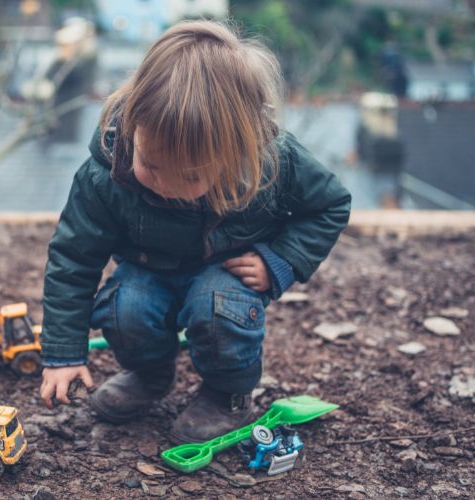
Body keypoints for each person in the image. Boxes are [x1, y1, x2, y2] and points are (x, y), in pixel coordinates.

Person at [38, 20, 351, 443]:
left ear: (233, 153)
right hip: (149, 268)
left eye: (186, 177)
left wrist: (279, 260)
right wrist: (62, 353)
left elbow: (330, 205)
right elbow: (73, 258)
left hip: (227, 273)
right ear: (134, 122)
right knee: (126, 306)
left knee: (217, 306)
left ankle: (228, 395)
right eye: (150, 165)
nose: (163, 185)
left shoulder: (272, 162)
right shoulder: (107, 170)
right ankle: (150, 375)